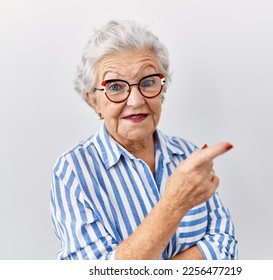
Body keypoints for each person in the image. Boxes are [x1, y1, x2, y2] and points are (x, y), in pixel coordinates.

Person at [50, 20, 238, 260]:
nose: (136, 100)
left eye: (148, 82)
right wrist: (174, 203)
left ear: (163, 88)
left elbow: (225, 246)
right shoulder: (73, 172)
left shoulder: (189, 154)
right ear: (93, 101)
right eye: (115, 87)